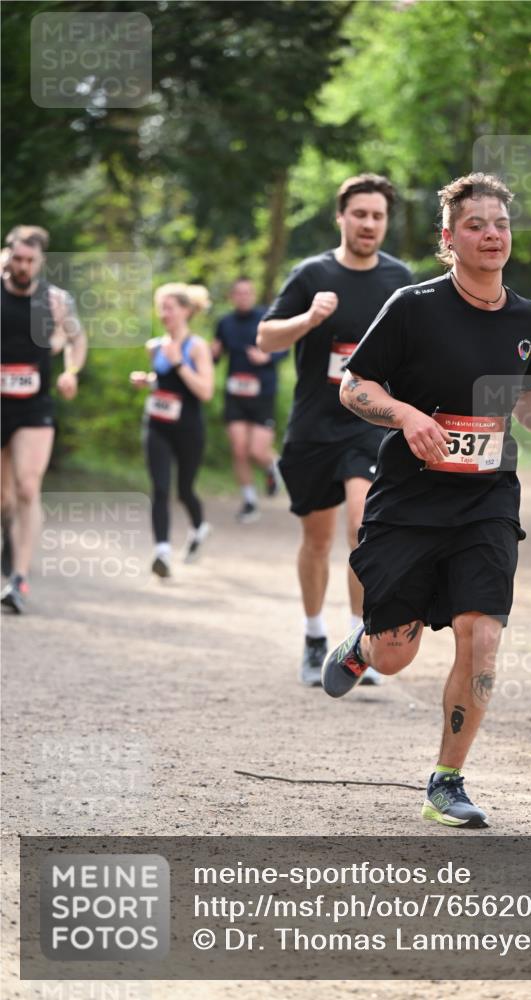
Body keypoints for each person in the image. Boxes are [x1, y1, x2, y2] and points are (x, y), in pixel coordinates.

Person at [321, 173, 531, 828]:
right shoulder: (413, 307)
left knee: (482, 635)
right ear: (447, 238)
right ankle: (363, 644)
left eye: (499, 223)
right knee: (395, 652)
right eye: (474, 224)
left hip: (487, 497)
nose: (490, 234)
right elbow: (353, 385)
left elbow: (523, 390)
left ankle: (447, 779)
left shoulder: (527, 318)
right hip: (409, 499)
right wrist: (406, 416)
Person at [257, 173, 412, 685]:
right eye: (360, 214)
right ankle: (313, 635)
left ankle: (356, 643)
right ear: (341, 217)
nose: (369, 224)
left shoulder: (399, 280)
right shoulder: (311, 273)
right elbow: (266, 338)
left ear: (386, 223)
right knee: (318, 539)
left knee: (360, 528)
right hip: (313, 426)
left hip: (369, 424)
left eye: (378, 216)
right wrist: (307, 318)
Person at [1, 226, 87, 613]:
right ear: (8, 255)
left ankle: (19, 577)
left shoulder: (54, 300)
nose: (22, 266)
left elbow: (76, 338)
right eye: (16, 258)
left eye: (29, 261)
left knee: (27, 487)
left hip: (34, 405)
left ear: (40, 262)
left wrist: (71, 370)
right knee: (3, 497)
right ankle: (9, 535)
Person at [130, 283, 214, 578]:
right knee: (161, 487)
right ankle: (162, 552)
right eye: (160, 307)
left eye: (170, 307)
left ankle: (199, 528)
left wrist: (179, 362)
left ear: (186, 311)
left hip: (189, 428)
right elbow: (165, 384)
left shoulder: (197, 346)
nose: (164, 313)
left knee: (184, 490)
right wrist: (148, 380)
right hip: (157, 424)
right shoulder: (154, 346)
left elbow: (204, 391)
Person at [212, 277, 286, 524]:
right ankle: (250, 501)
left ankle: (273, 466)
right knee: (239, 449)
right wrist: (212, 354)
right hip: (235, 394)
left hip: (262, 393)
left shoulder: (267, 319)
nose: (243, 297)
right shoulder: (224, 323)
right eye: (238, 293)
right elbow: (215, 356)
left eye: (247, 293)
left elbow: (284, 347)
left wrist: (268, 358)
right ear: (232, 297)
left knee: (257, 450)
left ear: (253, 295)